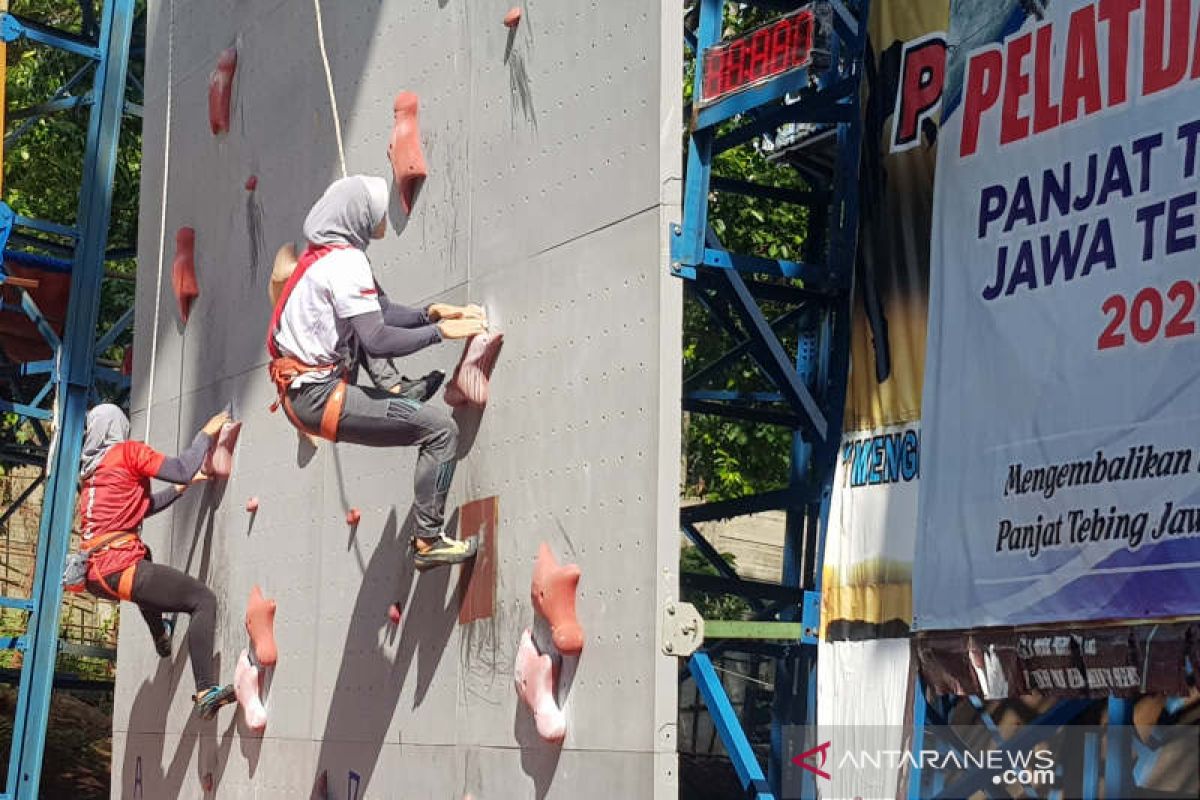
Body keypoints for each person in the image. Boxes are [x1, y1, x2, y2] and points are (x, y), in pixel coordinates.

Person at [267, 175, 485, 569]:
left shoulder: (327, 256)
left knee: (428, 422)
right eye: (377, 208)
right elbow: (378, 339)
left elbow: (380, 310)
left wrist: (429, 313)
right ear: (358, 215)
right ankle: (428, 540)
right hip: (318, 397)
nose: (383, 214)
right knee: (441, 431)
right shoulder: (344, 262)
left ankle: (401, 389)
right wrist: (439, 333)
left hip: (310, 391)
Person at [77, 404, 236, 719]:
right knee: (202, 600)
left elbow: (139, 508)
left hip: (96, 575)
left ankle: (161, 635)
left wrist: (181, 489)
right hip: (118, 566)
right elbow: (179, 467)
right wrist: (206, 433)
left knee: (144, 561)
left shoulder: (92, 477)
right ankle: (206, 691)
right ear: (118, 429)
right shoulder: (126, 453)